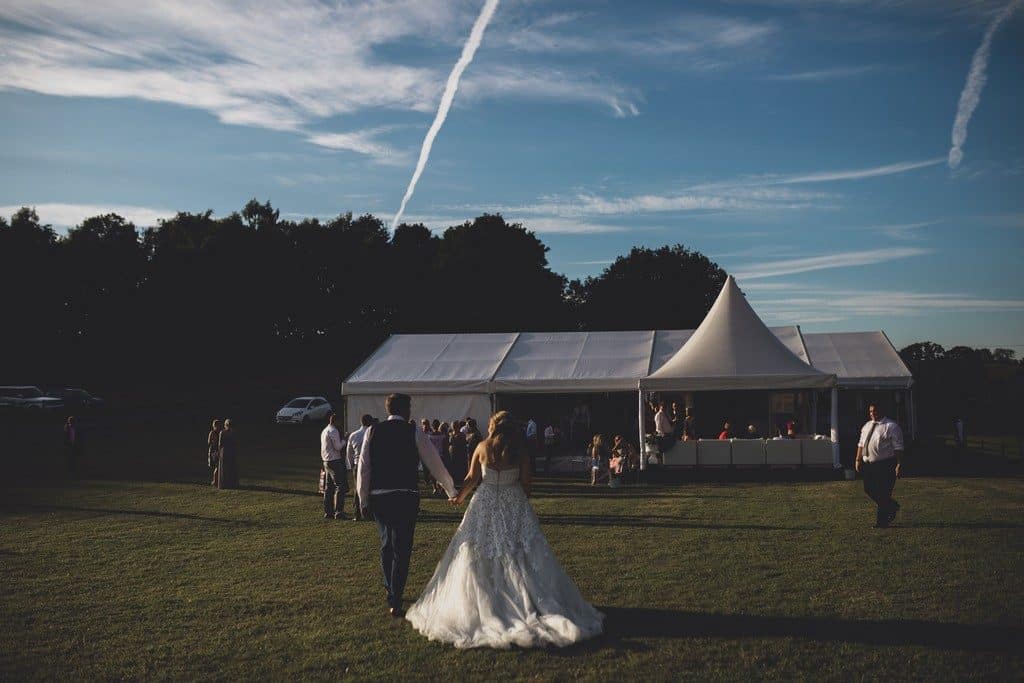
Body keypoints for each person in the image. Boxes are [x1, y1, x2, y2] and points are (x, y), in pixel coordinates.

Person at [405, 410, 603, 648]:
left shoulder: (482, 446)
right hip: (514, 501)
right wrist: (517, 495)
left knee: (477, 551)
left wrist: (459, 498)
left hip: (485, 502)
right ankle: (524, 600)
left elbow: (471, 478)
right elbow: (527, 485)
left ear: (492, 426)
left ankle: (488, 601)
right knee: (520, 552)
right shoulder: (520, 451)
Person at [357, 394, 457, 618]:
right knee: (402, 548)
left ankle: (390, 588)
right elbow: (435, 463)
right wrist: (450, 489)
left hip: (380, 495)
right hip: (405, 495)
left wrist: (363, 499)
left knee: (386, 544)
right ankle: (396, 596)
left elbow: (364, 468)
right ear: (405, 409)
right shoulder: (414, 432)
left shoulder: (373, 431)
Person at [855, 404, 904, 528]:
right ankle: (892, 506)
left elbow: (898, 448)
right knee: (868, 489)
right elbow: (861, 444)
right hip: (869, 465)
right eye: (870, 411)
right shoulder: (867, 426)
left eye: (875, 411)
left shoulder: (891, 426)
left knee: (883, 493)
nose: (872, 413)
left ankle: (881, 523)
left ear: (882, 411)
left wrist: (899, 464)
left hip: (885, 464)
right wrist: (858, 459)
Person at [321, 413, 348, 519]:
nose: (341, 424)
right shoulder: (334, 431)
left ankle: (328, 512)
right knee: (340, 486)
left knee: (329, 488)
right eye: (340, 421)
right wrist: (345, 439)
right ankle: (339, 512)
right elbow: (338, 447)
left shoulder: (325, 430)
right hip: (334, 461)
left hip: (326, 461)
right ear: (335, 421)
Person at [347, 414, 374, 521]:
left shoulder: (353, 435)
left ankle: (357, 513)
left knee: (357, 489)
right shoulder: (372, 433)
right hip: (370, 464)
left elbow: (349, 453)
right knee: (371, 488)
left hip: (357, 464)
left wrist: (351, 464)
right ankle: (370, 512)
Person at [216, 419, 238, 489]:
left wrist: (219, 452)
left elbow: (220, 444)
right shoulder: (233, 432)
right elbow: (235, 443)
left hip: (224, 451)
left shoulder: (222, 432)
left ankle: (223, 484)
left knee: (223, 468)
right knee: (230, 467)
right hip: (231, 451)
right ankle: (231, 483)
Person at [207, 419, 222, 485]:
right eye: (216, 425)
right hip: (214, 451)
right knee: (217, 466)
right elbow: (209, 442)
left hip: (218, 450)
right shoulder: (212, 433)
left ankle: (216, 481)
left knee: (218, 466)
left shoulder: (220, 432)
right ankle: (215, 481)